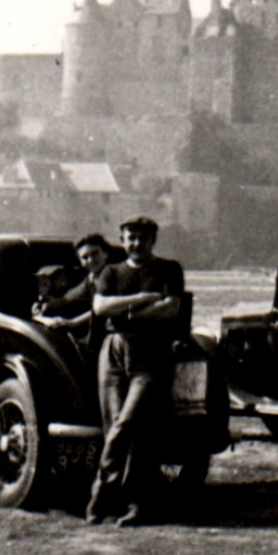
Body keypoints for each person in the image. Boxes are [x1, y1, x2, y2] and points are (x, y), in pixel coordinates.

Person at [86, 216, 185, 527]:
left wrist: (124, 311)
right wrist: (142, 301)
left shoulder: (168, 269)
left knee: (132, 423)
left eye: (142, 238)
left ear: (152, 240)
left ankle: (105, 492)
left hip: (151, 352)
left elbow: (171, 308)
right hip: (114, 350)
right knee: (113, 423)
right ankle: (129, 501)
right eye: (130, 238)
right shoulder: (111, 272)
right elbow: (100, 308)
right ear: (122, 239)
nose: (136, 244)